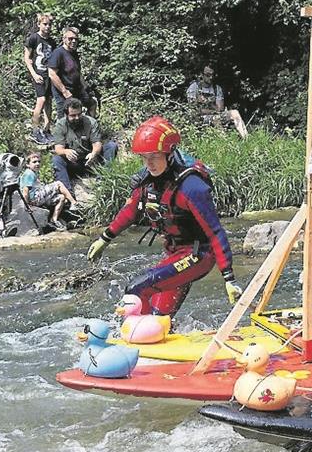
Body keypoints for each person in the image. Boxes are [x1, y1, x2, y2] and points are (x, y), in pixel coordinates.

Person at [85, 116, 242, 317]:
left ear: (169, 154)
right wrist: (104, 238)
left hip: (198, 255)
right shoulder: (147, 182)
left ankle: (138, 333)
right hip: (175, 255)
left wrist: (228, 278)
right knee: (158, 315)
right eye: (144, 157)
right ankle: (158, 333)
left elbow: (215, 232)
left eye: (154, 157)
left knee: (136, 288)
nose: (149, 163)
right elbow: (131, 210)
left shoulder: (191, 187)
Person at [50, 98, 116, 190]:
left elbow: (97, 143)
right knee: (56, 159)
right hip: (74, 163)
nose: (77, 118)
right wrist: (66, 151)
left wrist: (94, 153)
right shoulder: (61, 125)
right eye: (73, 115)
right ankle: (67, 191)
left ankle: (104, 180)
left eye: (79, 114)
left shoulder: (91, 122)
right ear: (66, 115)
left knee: (111, 146)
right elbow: (58, 149)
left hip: (92, 161)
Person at [186, 65, 248, 138]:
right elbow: (193, 109)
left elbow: (220, 109)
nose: (211, 78)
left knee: (234, 113)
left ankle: (246, 139)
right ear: (202, 75)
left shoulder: (217, 88)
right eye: (208, 75)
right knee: (216, 119)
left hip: (215, 114)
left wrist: (207, 102)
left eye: (212, 75)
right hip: (200, 118)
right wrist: (208, 108)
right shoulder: (194, 87)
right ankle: (225, 143)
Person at [19, 150, 77, 230]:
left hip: (38, 198)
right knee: (58, 184)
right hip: (34, 198)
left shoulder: (33, 173)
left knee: (61, 197)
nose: (37, 164)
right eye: (34, 162)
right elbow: (25, 190)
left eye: (39, 161)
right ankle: (74, 203)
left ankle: (54, 219)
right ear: (28, 165)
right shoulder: (29, 173)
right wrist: (26, 205)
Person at [47, 27, 96, 119]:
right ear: (64, 39)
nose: (73, 41)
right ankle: (61, 132)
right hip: (63, 92)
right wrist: (64, 91)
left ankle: (88, 130)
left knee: (92, 103)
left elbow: (78, 72)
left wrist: (86, 88)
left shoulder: (74, 53)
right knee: (65, 117)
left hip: (76, 89)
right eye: (70, 39)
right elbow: (52, 74)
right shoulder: (58, 53)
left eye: (76, 39)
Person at [23, 13, 56, 143]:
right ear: (39, 24)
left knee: (48, 102)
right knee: (41, 100)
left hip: (49, 75)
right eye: (45, 24)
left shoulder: (52, 41)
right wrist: (33, 74)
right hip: (38, 73)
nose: (47, 27)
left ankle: (47, 129)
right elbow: (27, 58)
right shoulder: (33, 38)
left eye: (49, 24)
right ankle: (35, 131)